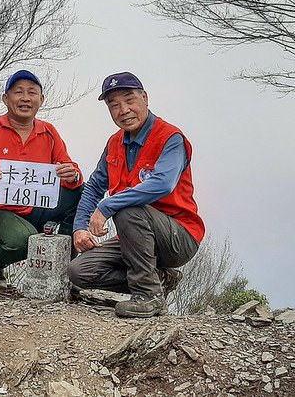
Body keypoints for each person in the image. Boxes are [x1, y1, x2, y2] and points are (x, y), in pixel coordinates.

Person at [67, 72, 204, 318]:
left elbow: (163, 184)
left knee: (127, 209)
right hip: (133, 239)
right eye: (114, 105)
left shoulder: (170, 138)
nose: (124, 110)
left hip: (177, 238)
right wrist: (79, 227)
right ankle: (159, 279)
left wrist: (107, 206)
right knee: (80, 271)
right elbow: (95, 186)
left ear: (145, 98)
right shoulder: (114, 142)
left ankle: (148, 296)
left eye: (130, 100)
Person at [0, 70, 84, 291]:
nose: (25, 98)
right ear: (6, 98)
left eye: (32, 92)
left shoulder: (49, 132)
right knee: (24, 241)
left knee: (79, 192)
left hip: (35, 207)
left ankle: (65, 266)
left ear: (41, 100)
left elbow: (69, 169)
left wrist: (73, 175)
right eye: (18, 92)